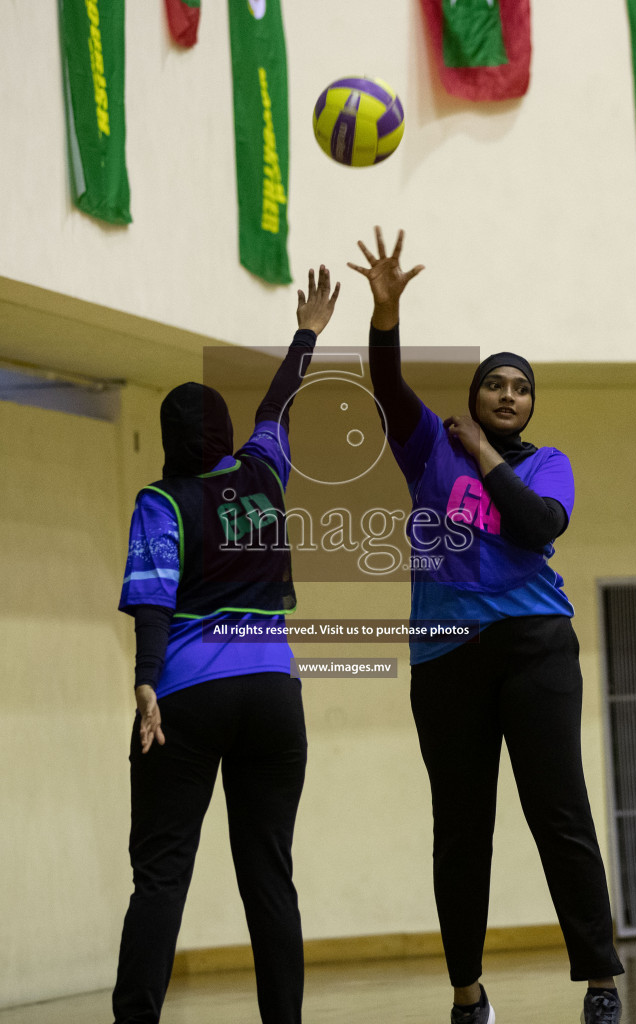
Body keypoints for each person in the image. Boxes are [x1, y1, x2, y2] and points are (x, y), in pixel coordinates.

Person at [349, 228, 624, 1024]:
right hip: (444, 660)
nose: (508, 395)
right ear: (473, 396)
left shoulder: (546, 462)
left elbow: (539, 528)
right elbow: (389, 385)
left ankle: (601, 982)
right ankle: (468, 993)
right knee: (460, 829)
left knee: (559, 813)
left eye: (519, 388)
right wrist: (386, 313)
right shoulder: (429, 449)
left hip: (535, 648)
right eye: (494, 385)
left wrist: (489, 457)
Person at [112, 267, 340, 1024]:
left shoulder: (161, 500)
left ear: (174, 440)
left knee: (162, 875)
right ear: (220, 430)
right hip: (275, 695)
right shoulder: (265, 473)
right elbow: (278, 404)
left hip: (187, 696)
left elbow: (151, 600)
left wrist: (146, 683)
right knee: (270, 876)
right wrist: (307, 333)